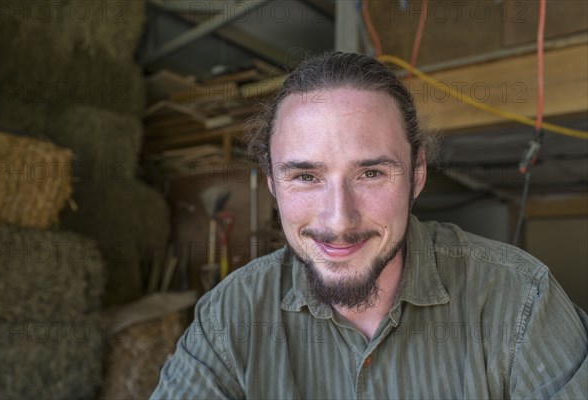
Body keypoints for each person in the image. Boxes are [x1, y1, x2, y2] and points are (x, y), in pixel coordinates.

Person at [151, 52, 587, 399]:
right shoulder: (232, 315)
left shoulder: (519, 301)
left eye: (371, 174)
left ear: (417, 175)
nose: (339, 220)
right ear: (272, 184)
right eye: (306, 177)